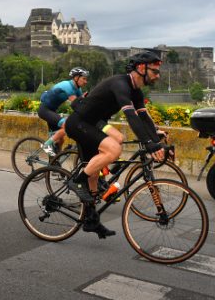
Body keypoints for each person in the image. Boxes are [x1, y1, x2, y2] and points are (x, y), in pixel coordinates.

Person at [65, 51, 166, 238]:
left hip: (90, 124)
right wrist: (149, 144)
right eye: (155, 71)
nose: (158, 76)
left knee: (93, 174)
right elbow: (131, 117)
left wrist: (154, 140)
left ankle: (91, 220)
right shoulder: (121, 84)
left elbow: (143, 117)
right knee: (114, 148)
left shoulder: (136, 91)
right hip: (78, 123)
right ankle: (76, 181)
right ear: (141, 68)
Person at [38, 67, 89, 156]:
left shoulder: (78, 89)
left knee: (60, 140)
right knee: (67, 125)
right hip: (44, 110)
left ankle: (54, 161)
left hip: (52, 111)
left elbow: (82, 104)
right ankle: (46, 145)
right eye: (84, 78)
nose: (86, 81)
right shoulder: (67, 86)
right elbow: (76, 105)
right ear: (76, 78)